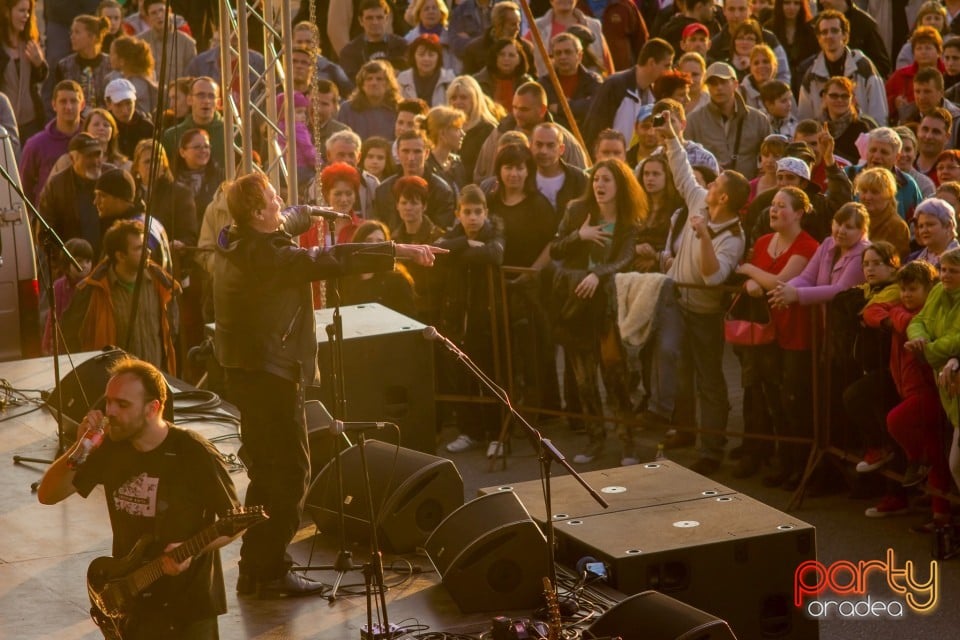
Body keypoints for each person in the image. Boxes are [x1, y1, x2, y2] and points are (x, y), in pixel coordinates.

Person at [214, 172, 441, 596]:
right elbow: (332, 258)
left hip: (248, 369)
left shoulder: (234, 236)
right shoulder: (270, 259)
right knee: (288, 475)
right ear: (260, 213)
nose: (281, 202)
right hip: (271, 374)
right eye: (273, 199)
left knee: (269, 471)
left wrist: (311, 212)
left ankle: (256, 568)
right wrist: (397, 250)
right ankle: (267, 572)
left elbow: (288, 220)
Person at [37, 355, 239, 639]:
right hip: (132, 602)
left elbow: (234, 522)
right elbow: (48, 495)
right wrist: (80, 448)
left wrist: (193, 550)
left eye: (122, 404)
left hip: (188, 609)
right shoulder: (108, 447)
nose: (110, 412)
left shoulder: (194, 452)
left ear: (152, 408)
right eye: (108, 402)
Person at [641, 114, 747, 475]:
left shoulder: (733, 236)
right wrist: (671, 136)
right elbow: (681, 170)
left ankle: (712, 448)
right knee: (672, 361)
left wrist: (703, 237)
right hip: (676, 300)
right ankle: (680, 428)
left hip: (703, 312)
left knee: (709, 379)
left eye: (716, 181)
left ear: (724, 196)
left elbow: (714, 276)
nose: (709, 183)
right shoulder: (699, 201)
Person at [549, 158, 642, 464]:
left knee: (615, 376)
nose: (600, 185)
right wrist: (581, 236)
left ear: (620, 186)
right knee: (584, 379)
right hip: (576, 305)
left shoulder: (629, 222)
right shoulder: (578, 211)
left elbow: (626, 259)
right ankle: (595, 440)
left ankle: (627, 442)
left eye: (607, 180)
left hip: (607, 308)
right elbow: (555, 249)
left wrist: (597, 273)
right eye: (597, 179)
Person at [730, 186, 818, 482]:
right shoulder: (765, 240)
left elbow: (780, 281)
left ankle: (797, 465)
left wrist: (750, 272)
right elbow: (754, 283)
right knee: (765, 397)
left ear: (799, 213)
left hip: (794, 333)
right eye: (773, 205)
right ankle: (771, 458)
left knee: (792, 400)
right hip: (763, 332)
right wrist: (750, 282)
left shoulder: (807, 246)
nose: (774, 210)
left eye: (782, 206)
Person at [867, 259, 952, 529]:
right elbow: (871, 310)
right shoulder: (900, 310)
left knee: (896, 421)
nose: (906, 295)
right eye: (903, 290)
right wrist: (890, 316)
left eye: (913, 289)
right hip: (908, 389)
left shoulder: (927, 314)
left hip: (931, 392)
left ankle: (917, 459)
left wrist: (895, 316)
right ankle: (941, 516)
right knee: (937, 455)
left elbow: (910, 322)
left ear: (929, 288)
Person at [436, 184, 505, 453]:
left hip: (486, 316)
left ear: (486, 212)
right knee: (462, 375)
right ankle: (470, 431)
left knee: (491, 375)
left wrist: (461, 251)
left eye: (478, 211)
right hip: (457, 316)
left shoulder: (494, 231)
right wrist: (465, 242)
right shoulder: (456, 234)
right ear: (458, 213)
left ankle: (497, 434)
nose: (473, 217)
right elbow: (437, 250)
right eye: (467, 212)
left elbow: (495, 253)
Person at [62, 219, 179, 371]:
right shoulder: (90, 291)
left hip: (155, 381)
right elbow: (71, 339)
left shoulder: (161, 283)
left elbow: (172, 331)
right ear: (120, 256)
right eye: (138, 248)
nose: (148, 252)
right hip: (114, 385)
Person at [796, 9, 887, 126]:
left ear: (845, 35)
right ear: (818, 38)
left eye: (834, 31)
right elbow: (805, 122)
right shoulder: (811, 75)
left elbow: (879, 114)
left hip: (861, 135)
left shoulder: (863, 67)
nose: (829, 36)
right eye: (824, 32)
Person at [582, 37, 674, 152]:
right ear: (652, 63)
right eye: (667, 65)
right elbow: (594, 129)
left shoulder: (654, 94)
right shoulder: (614, 85)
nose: (670, 71)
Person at [684, 61, 771, 180]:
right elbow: (685, 161)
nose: (718, 88)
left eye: (723, 82)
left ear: (735, 84)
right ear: (707, 87)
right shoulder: (693, 121)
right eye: (713, 83)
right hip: (709, 192)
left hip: (749, 191)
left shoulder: (759, 120)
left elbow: (772, 155)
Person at [38, 132, 106, 255]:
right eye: (89, 156)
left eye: (98, 154)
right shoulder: (56, 186)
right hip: (71, 266)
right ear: (72, 158)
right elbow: (45, 232)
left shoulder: (112, 177)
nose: (95, 161)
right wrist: (64, 263)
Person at [0, 0, 47, 140]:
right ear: (7, 13)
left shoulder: (29, 43)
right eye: (21, 11)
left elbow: (40, 78)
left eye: (28, 11)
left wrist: (39, 64)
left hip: (31, 123)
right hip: (4, 123)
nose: (26, 16)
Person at [540, 32, 603, 133]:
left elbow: (595, 107)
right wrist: (577, 107)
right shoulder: (545, 83)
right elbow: (545, 113)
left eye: (568, 52)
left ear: (579, 56)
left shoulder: (593, 80)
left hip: (587, 137)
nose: (562, 57)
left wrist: (560, 107)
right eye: (558, 53)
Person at [41, 236, 93, 355]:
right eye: (78, 261)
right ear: (66, 263)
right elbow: (53, 317)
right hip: (64, 343)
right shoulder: (59, 287)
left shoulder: (92, 286)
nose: (84, 265)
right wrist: (47, 345)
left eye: (88, 261)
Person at [160, 76, 226, 170]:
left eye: (211, 96)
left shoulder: (233, 134)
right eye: (200, 95)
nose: (206, 101)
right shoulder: (172, 136)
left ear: (218, 103)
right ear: (189, 100)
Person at [446, 75, 499, 183]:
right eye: (453, 98)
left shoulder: (488, 130)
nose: (457, 102)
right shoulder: (445, 129)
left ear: (475, 100)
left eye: (463, 97)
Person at [337, 0, 408, 80]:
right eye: (369, 18)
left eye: (379, 17)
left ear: (386, 19)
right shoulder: (350, 52)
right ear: (361, 21)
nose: (375, 22)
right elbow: (348, 84)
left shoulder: (403, 46)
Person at [53, 14, 110, 110]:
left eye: (77, 32)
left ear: (93, 37)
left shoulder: (110, 65)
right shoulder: (64, 66)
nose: (72, 37)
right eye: (72, 32)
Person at [136, 0, 197, 86]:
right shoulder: (139, 42)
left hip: (177, 96)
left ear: (170, 11)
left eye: (162, 11)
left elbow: (191, 78)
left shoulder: (187, 43)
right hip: (150, 96)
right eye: (153, 13)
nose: (159, 16)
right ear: (148, 17)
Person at [338, 59, 401, 141]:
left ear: (388, 84)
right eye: (369, 79)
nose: (373, 83)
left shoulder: (398, 109)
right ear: (362, 84)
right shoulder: (347, 109)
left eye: (379, 79)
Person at [472, 37, 536, 112]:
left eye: (511, 55)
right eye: (501, 54)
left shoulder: (527, 83)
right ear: (495, 57)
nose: (506, 59)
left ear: (519, 60)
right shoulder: (478, 82)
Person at [397, 34, 456, 107]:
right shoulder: (402, 80)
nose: (426, 59)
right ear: (413, 56)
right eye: (421, 55)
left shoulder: (449, 80)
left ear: (438, 57)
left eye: (431, 55)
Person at [106, 35, 158, 115]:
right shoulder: (125, 77)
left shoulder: (138, 83)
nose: (110, 57)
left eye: (112, 54)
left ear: (122, 61)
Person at [104, 77, 155, 159]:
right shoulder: (102, 127)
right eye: (118, 105)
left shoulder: (147, 127)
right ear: (108, 104)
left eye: (128, 103)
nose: (125, 110)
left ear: (135, 101)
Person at [423, 105, 467, 193]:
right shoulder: (426, 165)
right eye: (457, 129)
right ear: (442, 133)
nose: (463, 134)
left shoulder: (457, 163)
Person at [910, 198, 960, 270]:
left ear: (949, 226)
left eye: (930, 224)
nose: (924, 230)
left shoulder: (958, 261)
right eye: (921, 226)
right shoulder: (912, 259)